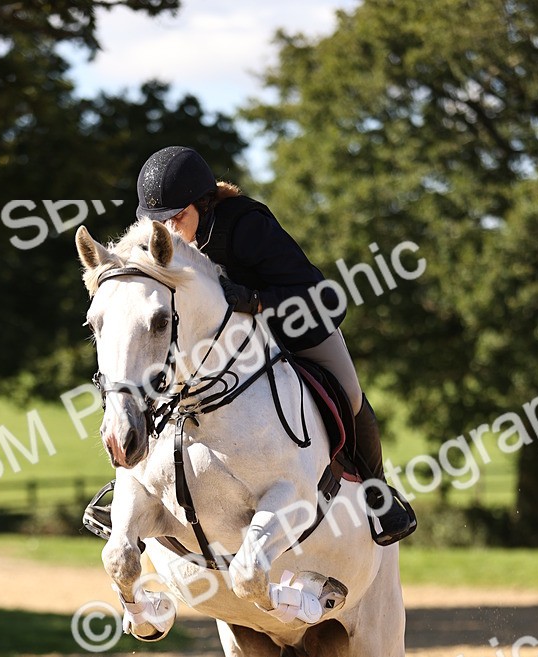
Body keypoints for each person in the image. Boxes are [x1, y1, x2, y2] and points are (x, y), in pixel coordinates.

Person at [135, 145, 417, 545]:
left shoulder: (246, 225)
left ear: (203, 203)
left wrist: (255, 300)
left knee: (350, 398)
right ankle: (132, 491)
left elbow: (322, 296)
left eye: (177, 217)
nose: (168, 230)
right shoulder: (162, 242)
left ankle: (378, 494)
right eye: (157, 221)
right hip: (223, 346)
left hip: (296, 327)